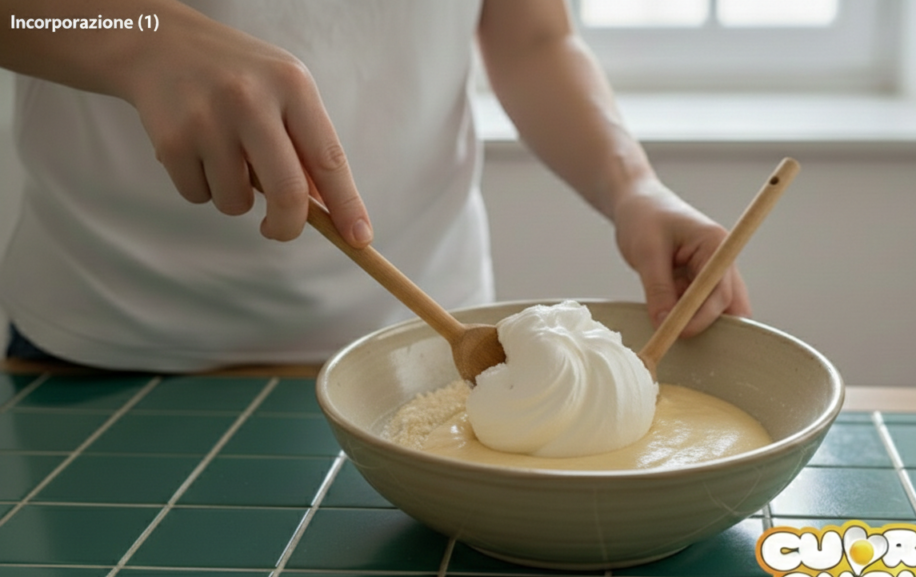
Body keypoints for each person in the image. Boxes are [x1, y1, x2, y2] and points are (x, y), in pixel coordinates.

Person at [0, 0, 750, 372]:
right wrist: (138, 35)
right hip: (104, 340)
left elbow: (532, 35)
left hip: (429, 346)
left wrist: (635, 189)